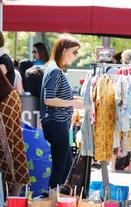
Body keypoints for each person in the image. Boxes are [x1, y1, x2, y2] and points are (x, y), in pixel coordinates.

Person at [40, 35, 83, 189]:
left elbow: (56, 96)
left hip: (57, 124)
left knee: (65, 167)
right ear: (64, 51)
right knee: (61, 169)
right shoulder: (54, 71)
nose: (75, 56)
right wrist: (73, 102)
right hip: (56, 124)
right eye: (74, 52)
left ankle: (57, 202)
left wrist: (76, 99)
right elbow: (48, 99)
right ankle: (54, 204)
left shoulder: (53, 69)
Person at [0, 68, 29, 196]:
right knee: (13, 148)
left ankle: (10, 200)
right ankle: (12, 199)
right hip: (8, 99)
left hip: (5, 101)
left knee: (7, 150)